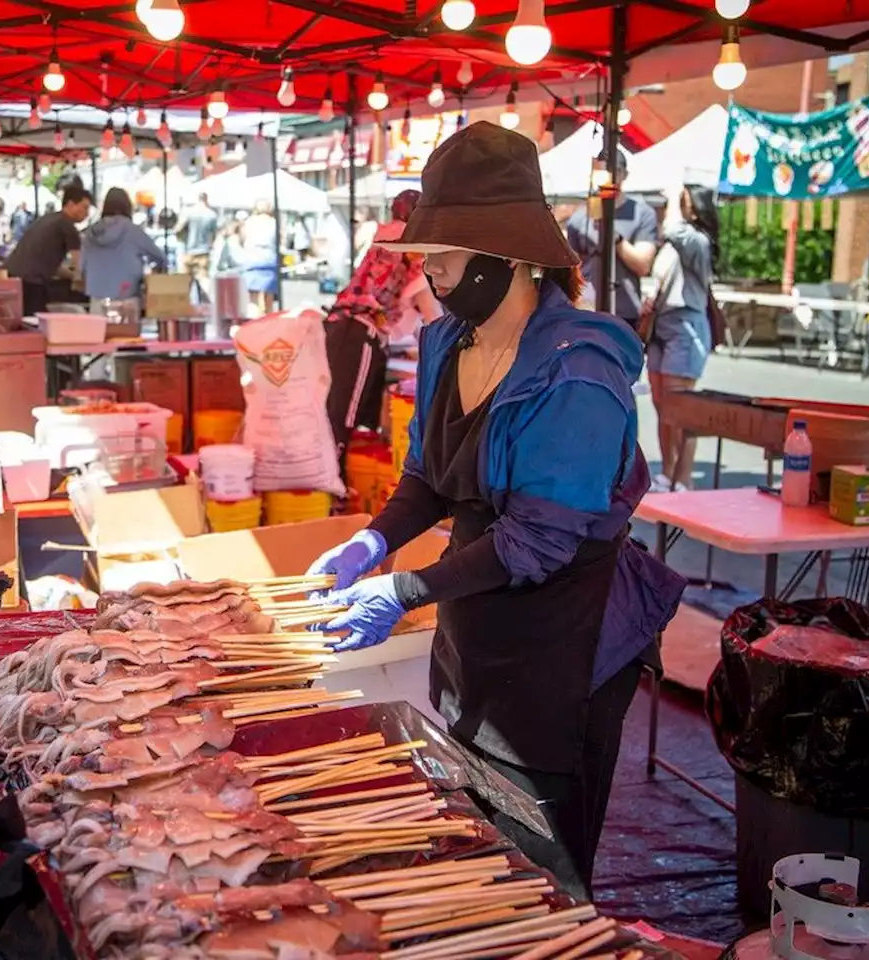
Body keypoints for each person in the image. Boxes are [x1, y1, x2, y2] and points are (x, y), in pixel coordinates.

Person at [306, 122, 685, 901]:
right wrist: (372, 542)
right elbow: (430, 479)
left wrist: (404, 591)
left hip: (560, 647)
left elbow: (538, 542)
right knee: (477, 843)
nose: (429, 273)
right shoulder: (449, 342)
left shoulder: (579, 369)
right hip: (475, 631)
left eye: (442, 258)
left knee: (543, 873)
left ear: (508, 256)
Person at [323, 190, 440, 462]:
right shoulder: (410, 245)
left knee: (342, 414)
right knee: (345, 416)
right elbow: (431, 313)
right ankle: (337, 491)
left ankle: (342, 485)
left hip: (342, 328)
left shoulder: (385, 237)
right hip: (358, 332)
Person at [645, 185, 719, 493]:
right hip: (662, 325)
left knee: (680, 408)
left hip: (685, 326)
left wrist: (676, 194)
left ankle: (683, 477)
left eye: (685, 201)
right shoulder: (674, 245)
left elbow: (673, 229)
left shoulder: (697, 241)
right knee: (662, 405)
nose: (678, 205)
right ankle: (667, 472)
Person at [565, 152, 658, 329]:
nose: (608, 177)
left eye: (614, 170)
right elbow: (570, 269)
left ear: (624, 174)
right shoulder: (578, 219)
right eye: (601, 171)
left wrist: (614, 236)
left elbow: (642, 265)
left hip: (624, 312)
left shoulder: (642, 214)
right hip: (585, 310)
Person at [6, 183, 92, 315]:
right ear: (70, 204)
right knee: (35, 323)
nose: (87, 213)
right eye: (84, 208)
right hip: (32, 282)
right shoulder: (67, 226)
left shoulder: (48, 219)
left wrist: (71, 276)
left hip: (11, 276)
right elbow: (79, 265)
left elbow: (50, 263)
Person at [80, 187, 166, 301]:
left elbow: (81, 268)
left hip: (96, 298)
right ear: (128, 206)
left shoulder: (90, 233)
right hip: (128, 297)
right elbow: (161, 258)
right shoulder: (132, 231)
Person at [175, 193, 218, 297]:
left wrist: (182, 237)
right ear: (206, 199)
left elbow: (178, 229)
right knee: (204, 279)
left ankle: (182, 306)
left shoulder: (189, 212)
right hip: (204, 252)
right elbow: (214, 235)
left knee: (184, 283)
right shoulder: (212, 215)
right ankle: (213, 300)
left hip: (188, 252)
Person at [241, 200, 279, 314]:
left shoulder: (249, 222)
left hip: (252, 259)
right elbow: (280, 240)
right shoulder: (274, 222)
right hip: (269, 260)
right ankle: (267, 316)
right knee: (268, 296)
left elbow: (243, 239)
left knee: (252, 296)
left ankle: (253, 317)